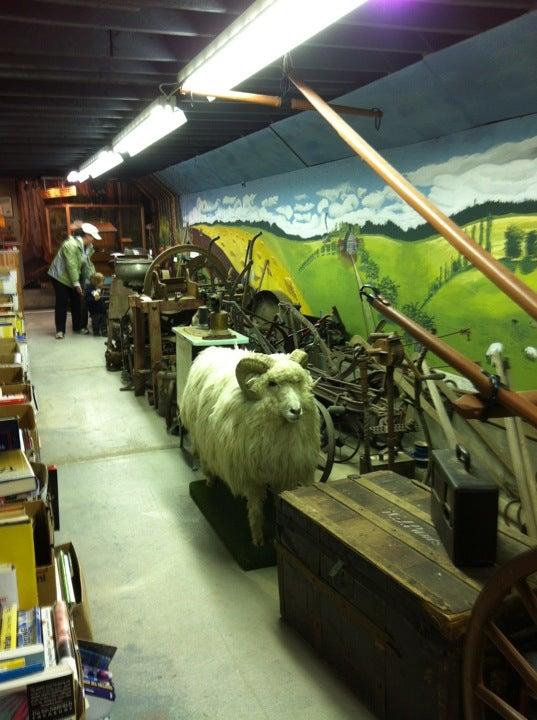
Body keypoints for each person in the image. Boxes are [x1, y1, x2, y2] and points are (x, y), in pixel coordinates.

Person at [47, 222, 101, 339]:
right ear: (87, 235)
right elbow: (71, 265)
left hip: (73, 275)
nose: (93, 240)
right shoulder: (70, 245)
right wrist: (76, 284)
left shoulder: (88, 247)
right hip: (60, 276)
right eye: (93, 237)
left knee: (77, 300)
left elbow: (87, 264)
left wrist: (93, 278)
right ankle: (60, 330)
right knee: (62, 301)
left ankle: (78, 327)